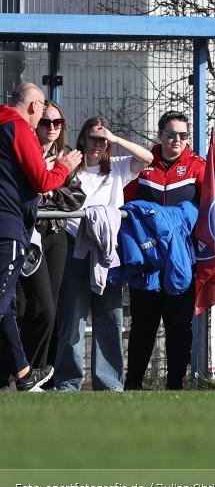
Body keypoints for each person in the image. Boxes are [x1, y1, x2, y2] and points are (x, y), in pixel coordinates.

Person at [54, 117, 153, 391]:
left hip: (107, 249)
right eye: (93, 137)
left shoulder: (118, 168)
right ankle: (68, 381)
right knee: (72, 316)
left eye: (102, 139)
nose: (98, 144)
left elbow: (147, 157)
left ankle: (109, 383)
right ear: (82, 138)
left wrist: (117, 138)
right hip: (74, 245)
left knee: (110, 317)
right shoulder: (72, 166)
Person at [0, 82, 81, 391]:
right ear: (33, 107)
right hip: (8, 231)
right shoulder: (19, 128)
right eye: (42, 116)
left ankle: (22, 373)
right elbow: (43, 181)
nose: (42, 125)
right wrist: (62, 167)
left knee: (7, 306)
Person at [124, 111, 205, 390]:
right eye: (171, 134)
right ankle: (131, 385)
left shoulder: (198, 166)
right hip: (148, 261)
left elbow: (214, 207)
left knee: (179, 327)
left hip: (181, 261)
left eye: (183, 135)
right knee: (143, 326)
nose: (177, 140)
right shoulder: (143, 164)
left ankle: (175, 385)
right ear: (160, 135)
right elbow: (126, 206)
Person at [18, 101, 85, 385]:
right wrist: (44, 190)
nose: (52, 129)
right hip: (25, 234)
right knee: (25, 306)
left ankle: (37, 371)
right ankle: (18, 370)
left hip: (54, 233)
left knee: (50, 307)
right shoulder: (24, 151)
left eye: (57, 123)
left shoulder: (66, 157)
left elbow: (76, 197)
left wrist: (49, 196)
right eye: (46, 123)